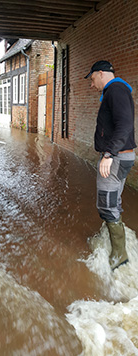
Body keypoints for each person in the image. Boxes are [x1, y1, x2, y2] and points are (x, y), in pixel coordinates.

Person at [85, 60, 136, 270]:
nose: (91, 84)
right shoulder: (114, 90)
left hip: (115, 158)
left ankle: (119, 256)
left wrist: (108, 154)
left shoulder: (116, 89)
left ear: (101, 73)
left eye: (92, 78)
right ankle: (113, 240)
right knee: (113, 201)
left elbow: (125, 123)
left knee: (106, 204)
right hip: (119, 156)